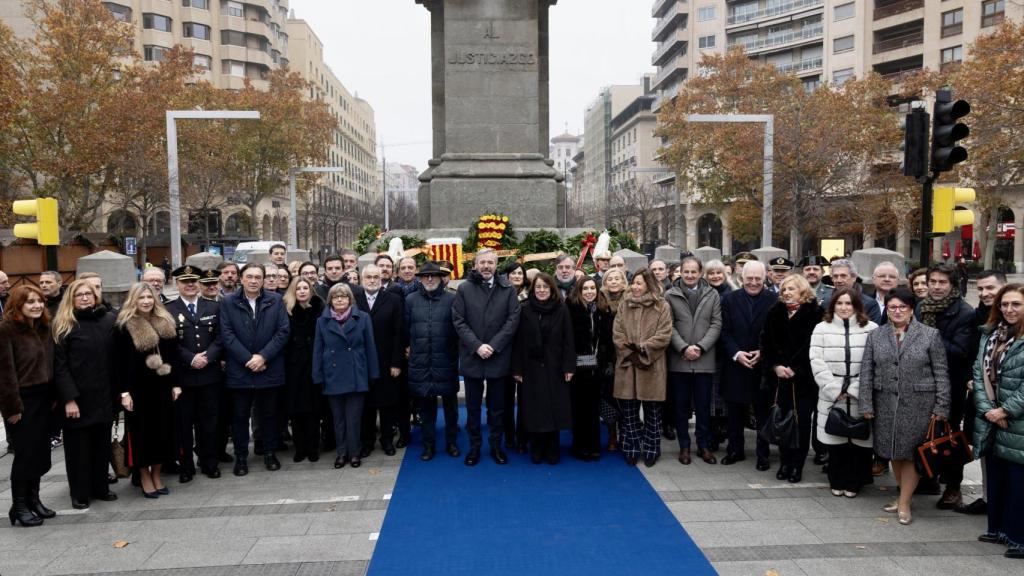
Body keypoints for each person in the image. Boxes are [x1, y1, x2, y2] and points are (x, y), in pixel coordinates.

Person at [860, 287, 950, 525]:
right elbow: (867, 371)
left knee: (910, 454)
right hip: (885, 403)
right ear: (887, 310)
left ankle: (904, 502)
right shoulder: (876, 335)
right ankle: (902, 495)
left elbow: (941, 372)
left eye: (903, 307)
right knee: (893, 452)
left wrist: (942, 406)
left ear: (911, 310)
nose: (897, 311)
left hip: (919, 404)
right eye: (892, 307)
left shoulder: (930, 335)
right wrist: (866, 403)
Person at [915, 263, 978, 509]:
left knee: (949, 434)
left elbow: (961, 352)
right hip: (921, 381)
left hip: (950, 383)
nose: (937, 287)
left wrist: (929, 337)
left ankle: (953, 486)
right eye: (933, 282)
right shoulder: (921, 307)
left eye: (943, 282)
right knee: (924, 431)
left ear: (952, 285)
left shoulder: (965, 312)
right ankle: (928, 477)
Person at [219, 263, 291, 476]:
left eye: (257, 277)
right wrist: (248, 359)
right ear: (241, 278)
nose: (253, 281)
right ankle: (241, 457)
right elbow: (227, 334)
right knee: (240, 417)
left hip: (268, 368)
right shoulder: (228, 302)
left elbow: (283, 331)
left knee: (269, 415)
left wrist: (263, 356)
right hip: (240, 370)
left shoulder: (275, 300)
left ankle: (270, 452)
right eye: (249, 276)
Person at [52, 279, 118, 509]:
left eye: (88, 294)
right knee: (78, 450)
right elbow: (59, 367)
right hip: (77, 399)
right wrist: (69, 399)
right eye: (79, 294)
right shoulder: (63, 325)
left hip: (104, 396)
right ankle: (79, 493)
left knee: (101, 445)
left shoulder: (108, 320)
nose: (84, 297)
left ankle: (101, 487)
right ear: (71, 298)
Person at [452, 249, 521, 466]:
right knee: (472, 407)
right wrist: (477, 346)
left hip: (497, 357)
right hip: (473, 356)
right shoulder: (464, 289)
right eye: (482, 262)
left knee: (497, 406)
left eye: (490, 262)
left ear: (496, 264)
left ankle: (495, 446)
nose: (486, 266)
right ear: (475, 264)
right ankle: (474, 447)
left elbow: (512, 320)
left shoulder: (508, 289)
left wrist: (493, 345)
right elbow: (458, 320)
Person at [973, 283, 1024, 559]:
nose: (1009, 309)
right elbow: (978, 373)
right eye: (1004, 304)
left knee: (1019, 483)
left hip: (1017, 422)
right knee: (998, 478)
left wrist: (1005, 410)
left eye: (1016, 304)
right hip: (992, 419)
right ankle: (999, 529)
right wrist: (988, 409)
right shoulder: (990, 334)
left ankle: (1019, 538)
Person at [810, 289, 878, 497]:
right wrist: (834, 389)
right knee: (836, 439)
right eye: (839, 303)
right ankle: (836, 479)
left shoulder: (872, 329)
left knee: (859, 442)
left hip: (860, 392)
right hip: (832, 392)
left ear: (857, 306)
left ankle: (855, 481)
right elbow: (816, 360)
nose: (844, 307)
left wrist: (856, 388)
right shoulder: (821, 328)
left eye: (849, 304)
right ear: (833, 305)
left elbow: (875, 362)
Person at [114, 283, 179, 498]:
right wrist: (124, 392)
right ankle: (143, 476)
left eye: (149, 297)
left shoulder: (165, 321)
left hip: (162, 386)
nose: (145, 301)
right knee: (141, 436)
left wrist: (176, 384)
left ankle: (158, 474)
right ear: (133, 300)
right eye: (141, 298)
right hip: (137, 389)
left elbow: (173, 356)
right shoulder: (124, 326)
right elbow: (120, 363)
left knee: (163, 431)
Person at [0, 285, 56, 526]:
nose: (36, 305)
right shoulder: (6, 330)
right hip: (22, 401)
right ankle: (19, 505)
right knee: (24, 455)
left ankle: (34, 500)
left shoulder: (43, 327)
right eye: (30, 302)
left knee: (39, 453)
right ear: (18, 304)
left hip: (44, 398)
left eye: (40, 301)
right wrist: (12, 408)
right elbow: (5, 373)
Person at [760, 275, 823, 483]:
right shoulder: (774, 313)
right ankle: (785, 463)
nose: (786, 292)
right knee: (782, 421)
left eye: (792, 289)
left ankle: (798, 466)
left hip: (803, 380)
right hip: (779, 380)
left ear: (803, 291)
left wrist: (796, 368)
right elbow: (766, 344)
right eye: (784, 289)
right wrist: (775, 366)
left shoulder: (816, 314)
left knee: (801, 423)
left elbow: (815, 348)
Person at [164, 266, 223, 482]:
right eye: (184, 281)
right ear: (177, 284)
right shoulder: (168, 309)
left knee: (209, 422)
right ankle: (187, 465)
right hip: (184, 377)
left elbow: (221, 336)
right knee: (183, 424)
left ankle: (209, 462)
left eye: (193, 281)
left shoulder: (213, 306)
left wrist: (207, 356)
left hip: (210, 374)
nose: (190, 285)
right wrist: (190, 358)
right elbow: (170, 342)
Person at [612, 267, 673, 467]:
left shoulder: (661, 305)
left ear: (648, 284)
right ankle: (630, 447)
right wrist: (630, 354)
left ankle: (651, 448)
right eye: (633, 283)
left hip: (652, 366)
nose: (635, 287)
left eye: (639, 283)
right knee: (629, 412)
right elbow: (617, 333)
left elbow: (664, 335)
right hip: (627, 366)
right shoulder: (624, 304)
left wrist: (644, 351)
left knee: (652, 412)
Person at [512, 273, 575, 465]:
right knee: (534, 409)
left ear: (551, 289)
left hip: (555, 367)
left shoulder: (561, 309)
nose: (541, 290)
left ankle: (552, 448)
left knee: (553, 408)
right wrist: (517, 369)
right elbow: (517, 341)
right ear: (533, 289)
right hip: (530, 368)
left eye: (545, 287)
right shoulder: (524, 309)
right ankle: (537, 448)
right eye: (538, 287)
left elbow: (568, 340)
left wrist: (569, 366)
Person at [314, 283, 379, 469]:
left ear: (350, 299)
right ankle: (341, 453)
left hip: (356, 374)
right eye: (336, 297)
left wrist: (372, 373)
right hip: (332, 374)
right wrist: (317, 375)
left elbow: (370, 347)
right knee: (338, 419)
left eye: (343, 296)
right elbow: (318, 350)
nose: (340, 299)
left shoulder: (363, 318)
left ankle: (355, 452)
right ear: (330, 301)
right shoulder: (322, 321)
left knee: (354, 418)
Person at [719, 261, 777, 469]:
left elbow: (776, 333)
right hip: (736, 364)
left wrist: (763, 352)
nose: (753, 283)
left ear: (765, 279)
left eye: (757, 279)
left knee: (763, 413)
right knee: (734, 412)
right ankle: (735, 450)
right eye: (749, 278)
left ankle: (763, 454)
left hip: (762, 367)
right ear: (741, 278)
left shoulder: (774, 300)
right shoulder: (728, 300)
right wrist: (736, 353)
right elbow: (724, 331)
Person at [665, 256, 722, 466]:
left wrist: (700, 347)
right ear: (681, 272)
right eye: (686, 272)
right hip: (679, 359)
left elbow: (716, 323)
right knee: (680, 406)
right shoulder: (670, 294)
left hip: (704, 359)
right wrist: (683, 347)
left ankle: (703, 445)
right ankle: (684, 446)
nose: (689, 275)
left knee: (704, 406)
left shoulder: (712, 294)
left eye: (693, 272)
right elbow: (667, 325)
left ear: (700, 273)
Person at [960, 270, 1007, 515]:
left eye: (990, 288)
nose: (985, 293)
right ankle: (990, 498)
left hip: (1008, 398)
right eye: (980, 289)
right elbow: (972, 353)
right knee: (985, 447)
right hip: (981, 395)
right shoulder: (976, 316)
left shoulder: (1014, 319)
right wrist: (971, 377)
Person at [405, 261, 461, 461]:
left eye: (433, 276)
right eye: (426, 276)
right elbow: (406, 328)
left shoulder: (452, 300)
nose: (429, 279)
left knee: (451, 409)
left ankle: (452, 442)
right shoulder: (410, 300)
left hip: (445, 361)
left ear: (440, 278)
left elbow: (458, 330)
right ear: (420, 279)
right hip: (421, 362)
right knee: (426, 410)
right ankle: (428, 445)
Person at [356, 265, 405, 458]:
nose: (372, 280)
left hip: (386, 360)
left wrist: (396, 363)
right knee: (366, 404)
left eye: (376, 277)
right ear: (362, 279)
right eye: (368, 277)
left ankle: (386, 440)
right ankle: (367, 442)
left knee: (387, 404)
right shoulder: (354, 300)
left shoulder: (393, 300)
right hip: (362, 362)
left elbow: (399, 333)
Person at [566, 277, 612, 461]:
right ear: (579, 290)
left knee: (593, 410)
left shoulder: (603, 309)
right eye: (585, 288)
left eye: (592, 288)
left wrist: (606, 360)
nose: (589, 291)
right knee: (579, 409)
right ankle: (579, 446)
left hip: (597, 368)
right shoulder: (570, 309)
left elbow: (608, 338)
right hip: (577, 368)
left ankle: (594, 446)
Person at [283, 276, 324, 463]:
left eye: (305, 287)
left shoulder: (320, 309)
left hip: (314, 364)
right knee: (296, 410)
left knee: (314, 410)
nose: (301, 291)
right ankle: (300, 448)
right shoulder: (287, 311)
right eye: (298, 288)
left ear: (310, 290)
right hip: (293, 367)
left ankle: (313, 447)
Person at [704, 259, 732, 451]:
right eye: (711, 273)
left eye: (718, 272)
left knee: (725, 393)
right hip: (707, 350)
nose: (715, 276)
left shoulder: (732, 294)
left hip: (727, 351)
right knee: (710, 395)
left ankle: (725, 429)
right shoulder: (703, 293)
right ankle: (712, 433)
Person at [599, 267, 628, 450]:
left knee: (625, 396)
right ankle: (612, 433)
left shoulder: (631, 300)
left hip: (625, 355)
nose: (614, 281)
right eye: (610, 279)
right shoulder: (599, 301)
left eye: (618, 278)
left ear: (623, 281)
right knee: (607, 396)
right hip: (605, 357)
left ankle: (626, 431)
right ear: (605, 283)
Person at [829, 260, 882, 324]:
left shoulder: (869, 304)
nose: (839, 280)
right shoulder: (827, 302)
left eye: (843, 276)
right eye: (835, 276)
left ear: (854, 277)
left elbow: (874, 332)